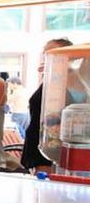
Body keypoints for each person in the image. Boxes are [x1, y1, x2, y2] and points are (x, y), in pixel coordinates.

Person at [21, 38, 73, 173]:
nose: (48, 57)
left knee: (47, 180)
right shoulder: (50, 79)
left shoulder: (67, 79)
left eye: (52, 53)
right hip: (38, 136)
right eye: (46, 54)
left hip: (52, 140)